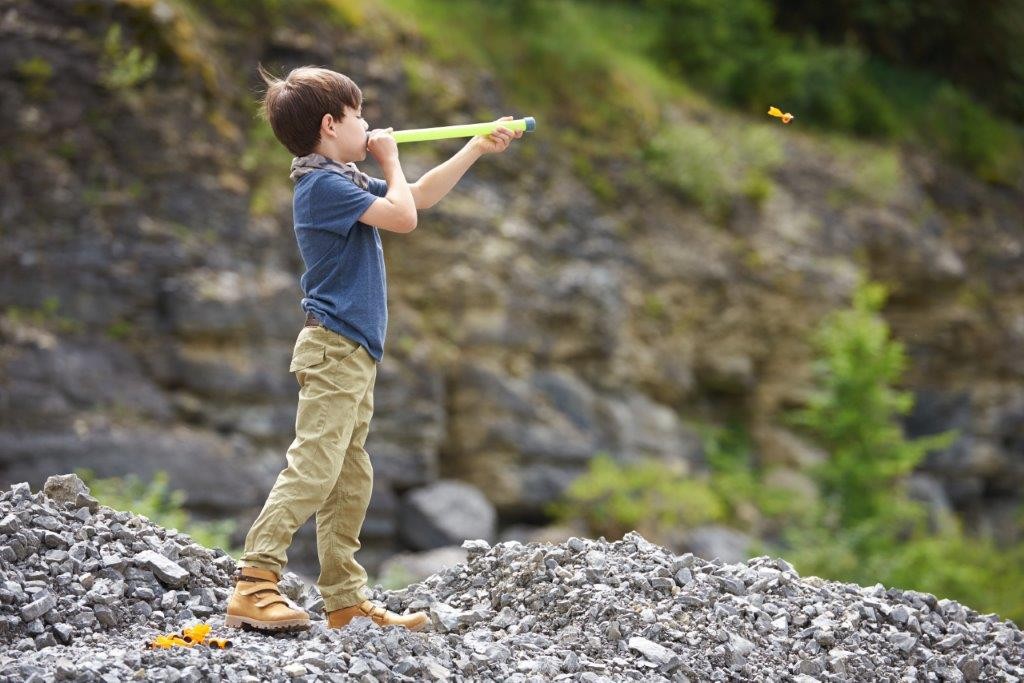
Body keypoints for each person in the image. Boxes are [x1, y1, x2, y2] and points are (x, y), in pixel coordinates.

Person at [224, 64, 522, 632]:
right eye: (360, 115)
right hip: (333, 350)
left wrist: (475, 149)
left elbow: (419, 197)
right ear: (332, 125)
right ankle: (254, 582)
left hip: (353, 352)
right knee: (314, 467)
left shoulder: (344, 181)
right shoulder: (323, 187)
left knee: (349, 477)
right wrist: (388, 157)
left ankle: (344, 600)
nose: (369, 124)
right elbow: (404, 220)